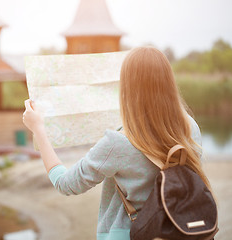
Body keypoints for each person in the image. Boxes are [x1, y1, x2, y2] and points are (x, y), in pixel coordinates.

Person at [22, 47, 212, 240]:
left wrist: (38, 129)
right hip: (185, 228)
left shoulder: (118, 143)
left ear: (127, 87)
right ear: (168, 82)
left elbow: (65, 183)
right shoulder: (190, 127)